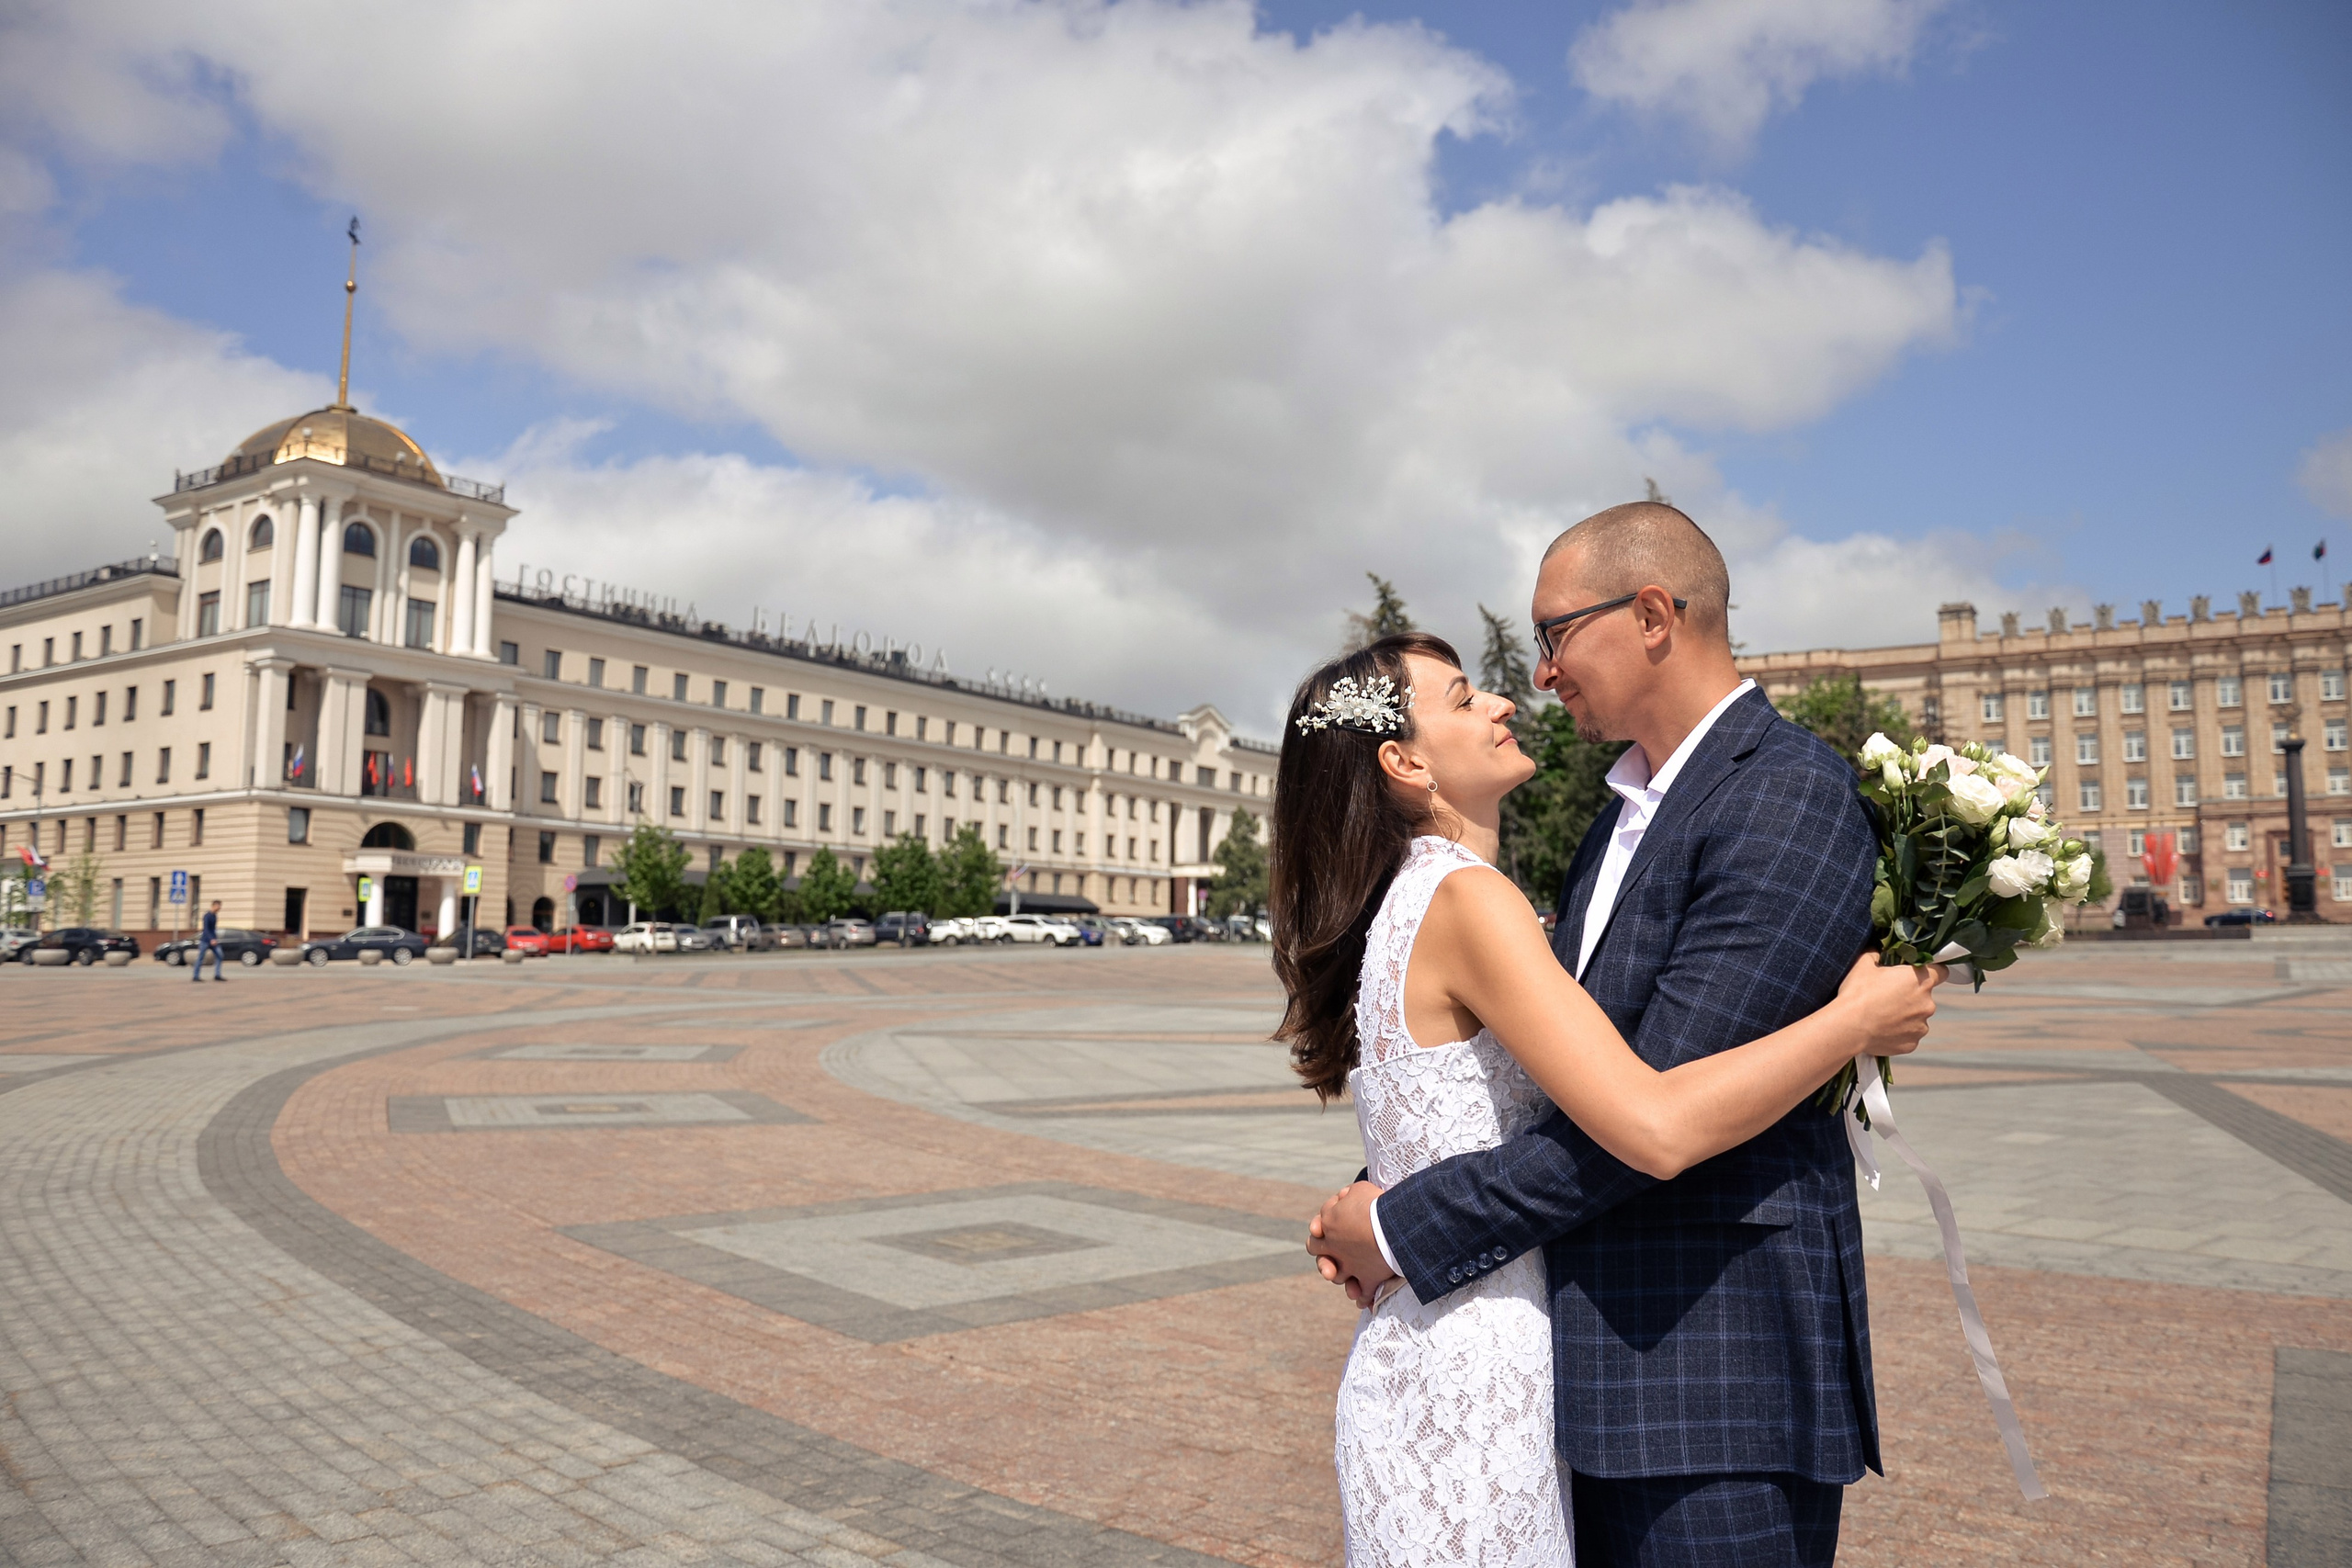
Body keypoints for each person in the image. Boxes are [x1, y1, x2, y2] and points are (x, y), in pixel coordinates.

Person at [1294, 504, 1931, 1568]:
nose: (1535, 677)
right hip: (1573, 1372)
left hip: (1710, 1378)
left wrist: (1407, 1220)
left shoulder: (1785, 798)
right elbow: (1571, 1092)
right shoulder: (1603, 828)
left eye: (1553, 635)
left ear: (1648, 616)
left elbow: (1654, 1114)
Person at [192, 898, 225, 982]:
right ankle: (195, 976)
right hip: (205, 941)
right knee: (200, 957)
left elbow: (213, 929)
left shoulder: (215, 916)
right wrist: (211, 939)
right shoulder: (207, 916)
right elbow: (206, 929)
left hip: (213, 940)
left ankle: (217, 975)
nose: (219, 908)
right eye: (218, 906)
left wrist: (215, 939)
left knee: (220, 955)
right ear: (214, 906)